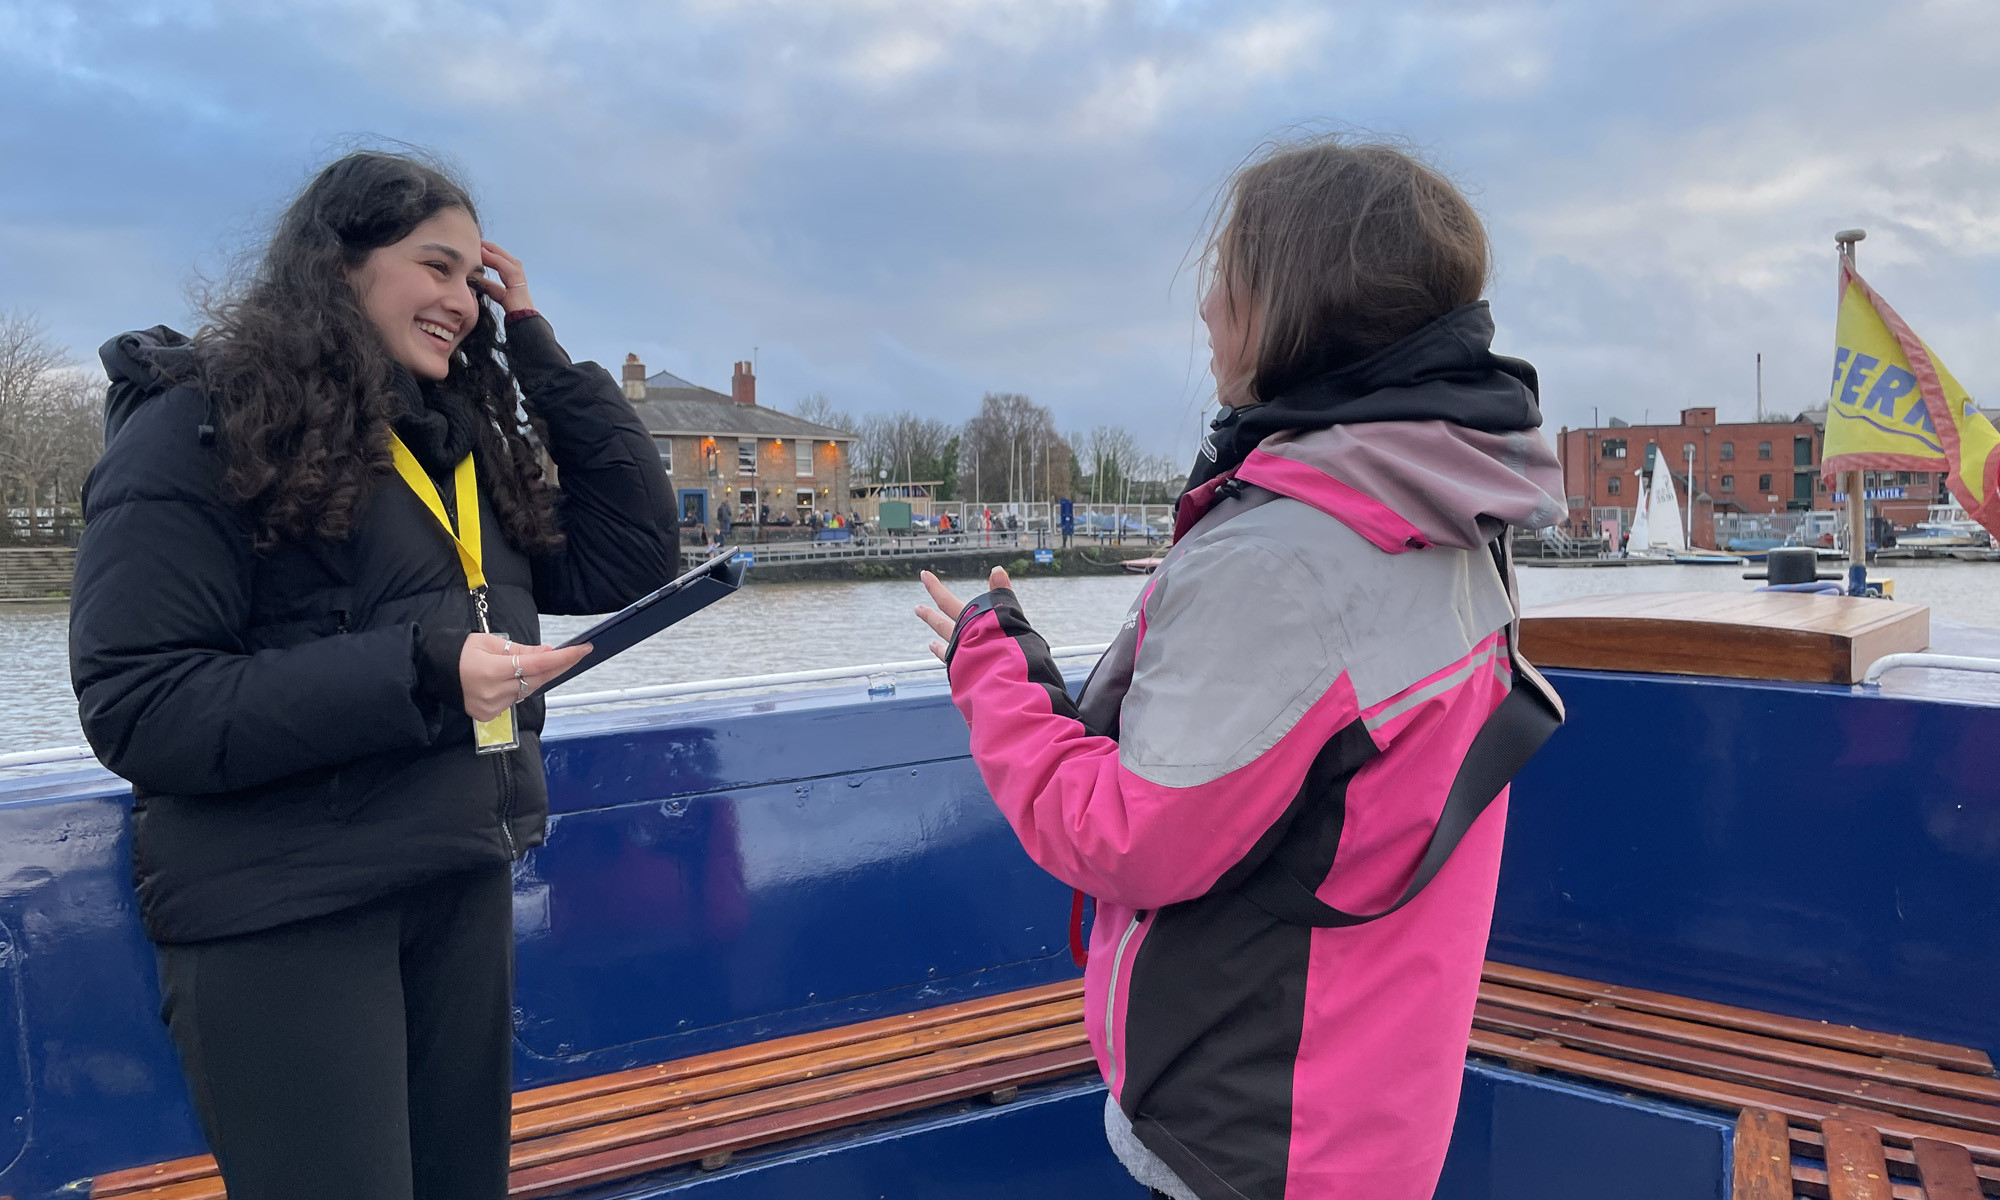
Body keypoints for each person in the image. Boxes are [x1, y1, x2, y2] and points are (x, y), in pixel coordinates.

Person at [914, 136, 1563, 1200]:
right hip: (1371, 1098)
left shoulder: (1280, 555)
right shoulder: (1451, 504)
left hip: (1256, 1127)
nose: (1204, 308)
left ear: (1290, 306)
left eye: (1226, 274)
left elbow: (1124, 838)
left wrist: (990, 664)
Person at [69, 150, 679, 1200]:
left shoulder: (446, 447)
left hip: (451, 878)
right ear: (338, 265)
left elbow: (633, 551)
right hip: (285, 911)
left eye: (472, 278)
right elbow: (141, 703)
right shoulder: (197, 425)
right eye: (432, 267)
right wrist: (428, 667)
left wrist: (532, 344)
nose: (459, 300)